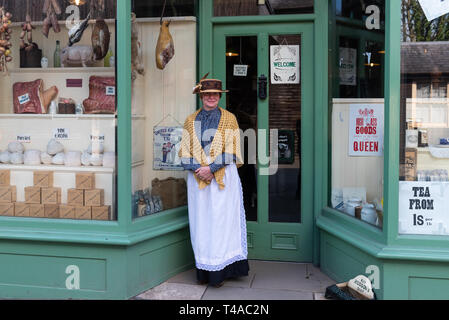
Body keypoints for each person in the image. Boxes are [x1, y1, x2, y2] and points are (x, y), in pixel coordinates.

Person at [179, 74, 249, 287]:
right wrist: (199, 169)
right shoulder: (190, 120)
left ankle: (223, 270)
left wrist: (212, 168)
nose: (211, 98)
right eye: (207, 94)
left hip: (223, 178)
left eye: (215, 94)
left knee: (222, 222)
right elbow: (183, 152)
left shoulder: (230, 118)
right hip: (198, 178)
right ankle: (204, 270)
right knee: (201, 223)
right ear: (201, 96)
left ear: (220, 96)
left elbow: (233, 150)